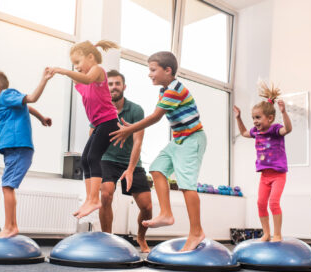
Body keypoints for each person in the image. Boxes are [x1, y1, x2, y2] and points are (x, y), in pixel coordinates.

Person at [110, 51, 207, 252]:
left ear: (167, 70)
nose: (149, 74)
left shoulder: (174, 90)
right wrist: (132, 127)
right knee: (156, 169)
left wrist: (130, 128)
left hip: (192, 139)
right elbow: (156, 116)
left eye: (153, 70)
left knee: (187, 185)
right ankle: (166, 214)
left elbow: (155, 117)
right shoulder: (164, 90)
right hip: (180, 139)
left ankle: (196, 232)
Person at [48, 40, 120, 219]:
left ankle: (95, 198)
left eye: (78, 62)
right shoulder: (83, 83)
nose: (77, 67)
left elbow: (87, 77)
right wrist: (55, 73)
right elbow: (80, 79)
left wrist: (63, 70)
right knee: (85, 159)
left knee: (94, 157)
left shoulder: (97, 70)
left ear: (90, 57)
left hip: (109, 121)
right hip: (98, 124)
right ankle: (90, 199)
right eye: (74, 64)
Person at [0, 70, 53, 238]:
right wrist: (41, 118)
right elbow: (27, 106)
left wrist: (44, 79)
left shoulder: (6, 95)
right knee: (8, 186)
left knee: (7, 187)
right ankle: (11, 226)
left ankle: (10, 227)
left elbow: (31, 98)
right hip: (14, 149)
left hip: (18, 147)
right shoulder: (5, 101)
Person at [92, 70, 152, 253]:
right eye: (110, 84)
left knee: (147, 207)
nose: (113, 87)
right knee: (106, 195)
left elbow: (138, 142)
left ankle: (141, 238)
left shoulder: (136, 110)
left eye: (117, 83)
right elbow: (92, 140)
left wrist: (131, 169)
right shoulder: (100, 110)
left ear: (124, 87)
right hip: (107, 159)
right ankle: (107, 239)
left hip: (130, 161)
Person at [233, 81, 292, 242]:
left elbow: (288, 129)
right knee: (260, 203)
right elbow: (244, 132)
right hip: (264, 176)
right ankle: (266, 233)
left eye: (258, 117)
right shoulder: (256, 132)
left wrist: (284, 112)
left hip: (278, 174)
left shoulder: (275, 130)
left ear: (270, 118)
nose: (255, 121)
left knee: (274, 202)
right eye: (253, 118)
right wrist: (239, 118)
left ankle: (277, 234)